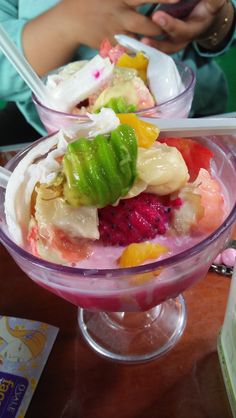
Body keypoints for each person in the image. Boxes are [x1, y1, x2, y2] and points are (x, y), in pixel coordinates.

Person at [0, 0, 235, 144]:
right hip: (47, 133)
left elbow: (224, 17)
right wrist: (64, 26)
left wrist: (217, 21)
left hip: (195, 115)